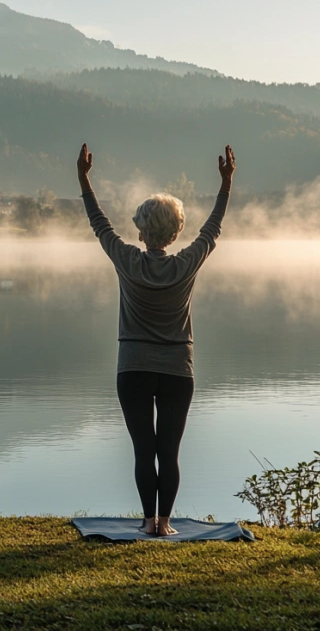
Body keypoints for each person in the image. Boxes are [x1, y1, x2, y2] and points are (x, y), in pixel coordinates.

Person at [77, 142, 236, 536]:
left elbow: (99, 223)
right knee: (169, 451)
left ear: (144, 230)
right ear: (175, 230)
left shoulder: (127, 260)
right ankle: (165, 522)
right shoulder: (186, 264)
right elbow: (212, 230)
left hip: (133, 367)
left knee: (143, 450)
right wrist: (226, 184)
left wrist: (83, 178)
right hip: (178, 369)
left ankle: (148, 521)